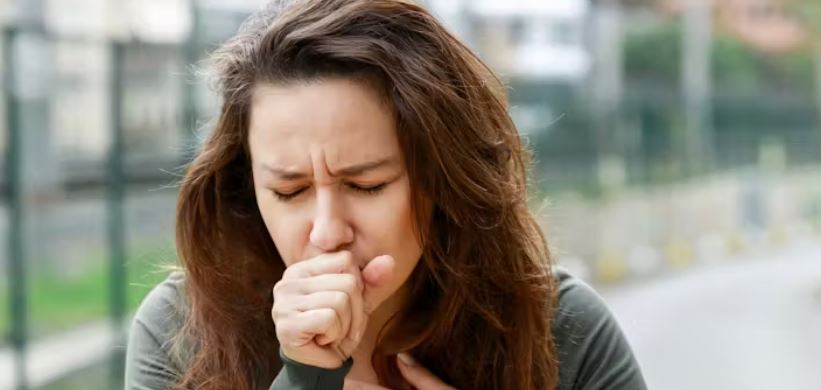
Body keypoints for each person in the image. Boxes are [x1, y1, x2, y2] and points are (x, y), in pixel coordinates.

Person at [125, 0, 647, 389]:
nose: (327, 231)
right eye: (289, 190)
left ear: (441, 177)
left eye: (366, 185)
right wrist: (306, 378)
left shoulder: (562, 327)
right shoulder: (182, 330)